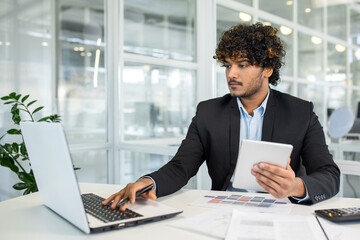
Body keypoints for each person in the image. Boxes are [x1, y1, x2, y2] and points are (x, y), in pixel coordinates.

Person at [102, 22, 340, 211]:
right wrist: (148, 182)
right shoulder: (208, 112)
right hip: (225, 211)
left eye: (242, 65)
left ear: (268, 69)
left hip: (283, 211)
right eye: (227, 65)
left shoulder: (301, 112)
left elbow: (329, 175)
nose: (231, 74)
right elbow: (181, 167)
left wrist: (296, 186)